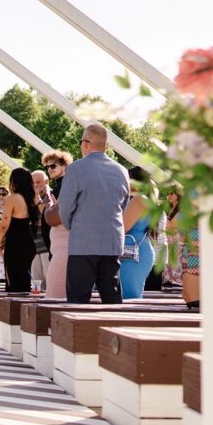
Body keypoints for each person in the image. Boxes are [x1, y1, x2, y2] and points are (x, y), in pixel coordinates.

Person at [54, 124, 130, 304]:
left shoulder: (76, 169)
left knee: (78, 299)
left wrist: (73, 225)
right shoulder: (121, 171)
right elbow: (123, 205)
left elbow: (65, 206)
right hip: (112, 241)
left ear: (86, 144)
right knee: (111, 296)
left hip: (83, 242)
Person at [0, 168, 38, 292]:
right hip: (28, 241)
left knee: (13, 279)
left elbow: (4, 224)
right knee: (25, 278)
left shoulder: (13, 198)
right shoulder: (32, 197)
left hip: (15, 242)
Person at [119, 167, 155, 299]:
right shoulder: (144, 199)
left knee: (130, 297)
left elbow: (123, 227)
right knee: (131, 296)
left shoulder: (139, 200)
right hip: (135, 252)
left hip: (133, 255)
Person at [42, 150, 73, 298]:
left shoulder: (66, 186)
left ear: (65, 166)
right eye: (47, 167)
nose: (49, 169)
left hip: (63, 247)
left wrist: (49, 206)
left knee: (54, 295)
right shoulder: (59, 186)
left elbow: (59, 216)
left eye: (53, 166)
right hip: (56, 247)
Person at [30, 170, 51, 286]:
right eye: (33, 183)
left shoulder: (51, 196)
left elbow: (47, 218)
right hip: (34, 248)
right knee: (36, 285)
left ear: (46, 181)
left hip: (47, 248)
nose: (36, 185)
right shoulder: (30, 200)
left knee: (50, 283)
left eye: (38, 182)